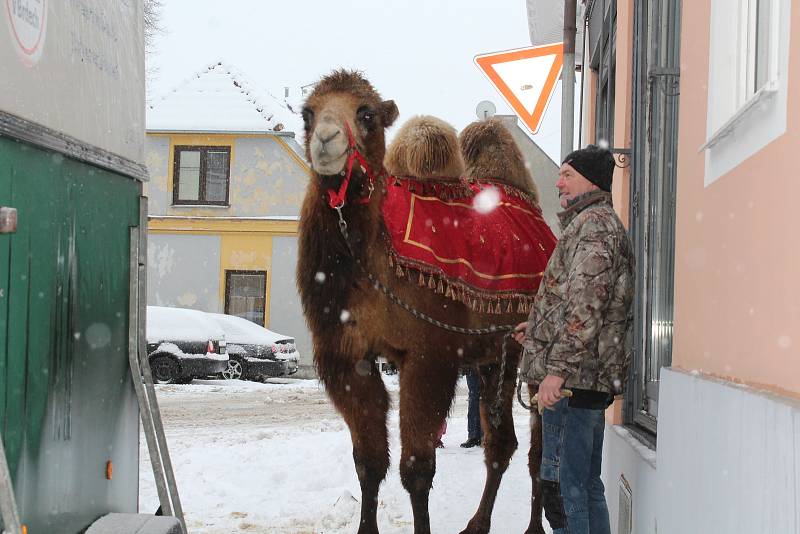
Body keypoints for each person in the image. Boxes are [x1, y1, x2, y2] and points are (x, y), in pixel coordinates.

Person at [513, 145, 635, 534]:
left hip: (574, 383)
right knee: (584, 486)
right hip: (584, 380)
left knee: (563, 492)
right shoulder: (594, 223)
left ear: (591, 181)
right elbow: (577, 301)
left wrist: (557, 372)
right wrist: (534, 330)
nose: (559, 181)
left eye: (567, 173)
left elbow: (587, 304)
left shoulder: (594, 226)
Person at [460, 368, 483, 448]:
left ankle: (478, 435)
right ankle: (475, 435)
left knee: (478, 397)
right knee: (475, 397)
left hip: (480, 365)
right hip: (472, 366)